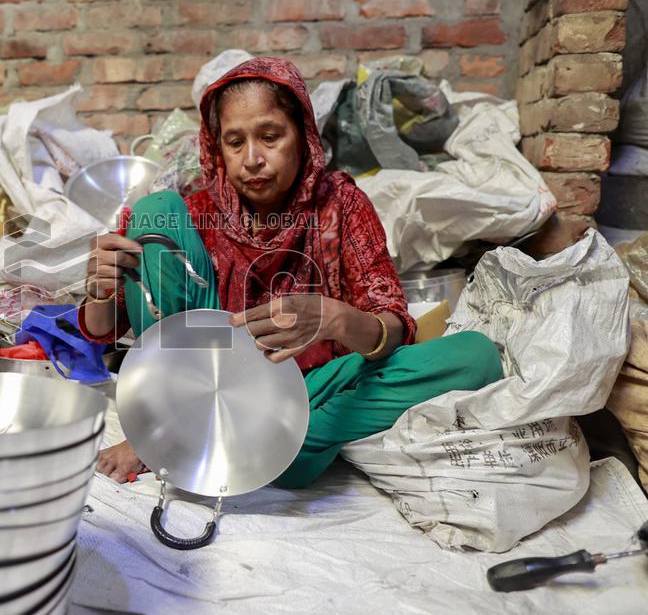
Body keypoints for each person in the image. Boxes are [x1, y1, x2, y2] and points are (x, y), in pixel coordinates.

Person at [79, 57, 503, 487]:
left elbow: (394, 330)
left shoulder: (341, 205)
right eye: (234, 142)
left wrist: (334, 318)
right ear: (216, 147)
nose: (252, 159)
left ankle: (258, 444)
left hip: (310, 388)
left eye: (270, 136)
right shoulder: (192, 216)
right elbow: (108, 330)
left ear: (302, 134)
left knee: (474, 356)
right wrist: (99, 289)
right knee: (154, 210)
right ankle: (180, 429)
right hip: (198, 389)